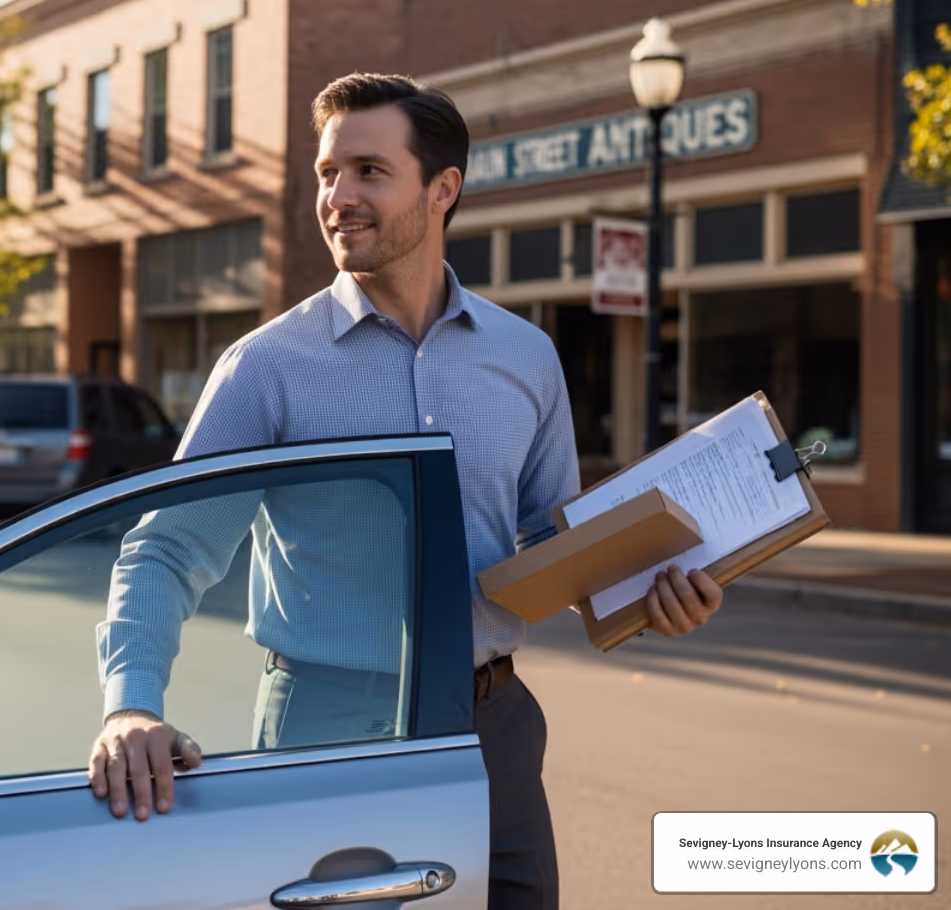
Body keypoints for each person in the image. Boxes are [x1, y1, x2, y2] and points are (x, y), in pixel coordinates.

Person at [88, 72, 723, 909]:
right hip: (327, 730)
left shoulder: (525, 357)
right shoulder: (268, 366)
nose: (337, 197)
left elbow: (549, 546)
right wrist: (129, 705)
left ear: (443, 189)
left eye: (367, 171)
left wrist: (651, 587)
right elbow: (168, 546)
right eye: (326, 174)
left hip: (492, 727)